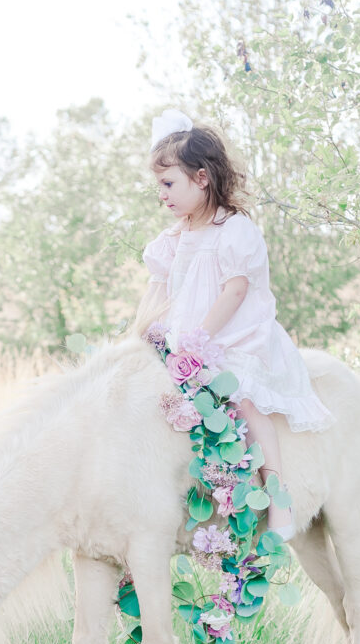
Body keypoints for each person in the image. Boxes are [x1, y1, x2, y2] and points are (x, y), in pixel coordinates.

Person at [141, 110, 333, 541]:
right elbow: (157, 289)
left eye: (169, 184)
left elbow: (235, 291)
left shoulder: (234, 230)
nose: (162, 196)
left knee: (244, 401)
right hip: (183, 340)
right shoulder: (175, 236)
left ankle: (278, 494)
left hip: (233, 335)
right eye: (160, 186)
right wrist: (144, 333)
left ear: (202, 177)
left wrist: (200, 340)